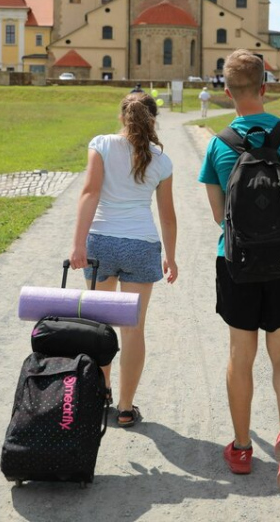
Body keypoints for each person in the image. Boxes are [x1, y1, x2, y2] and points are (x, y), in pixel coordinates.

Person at [198, 50, 280, 494]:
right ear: (265, 87)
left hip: (237, 263)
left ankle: (240, 448)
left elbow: (220, 217)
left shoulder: (219, 144)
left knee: (241, 356)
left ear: (227, 92)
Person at [70, 91, 178, 427]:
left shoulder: (101, 144)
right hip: (141, 246)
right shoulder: (161, 160)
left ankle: (102, 393)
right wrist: (170, 257)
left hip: (100, 242)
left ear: (122, 116)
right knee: (133, 329)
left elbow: (89, 193)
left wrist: (78, 245)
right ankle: (127, 408)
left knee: (99, 325)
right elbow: (168, 215)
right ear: (153, 119)